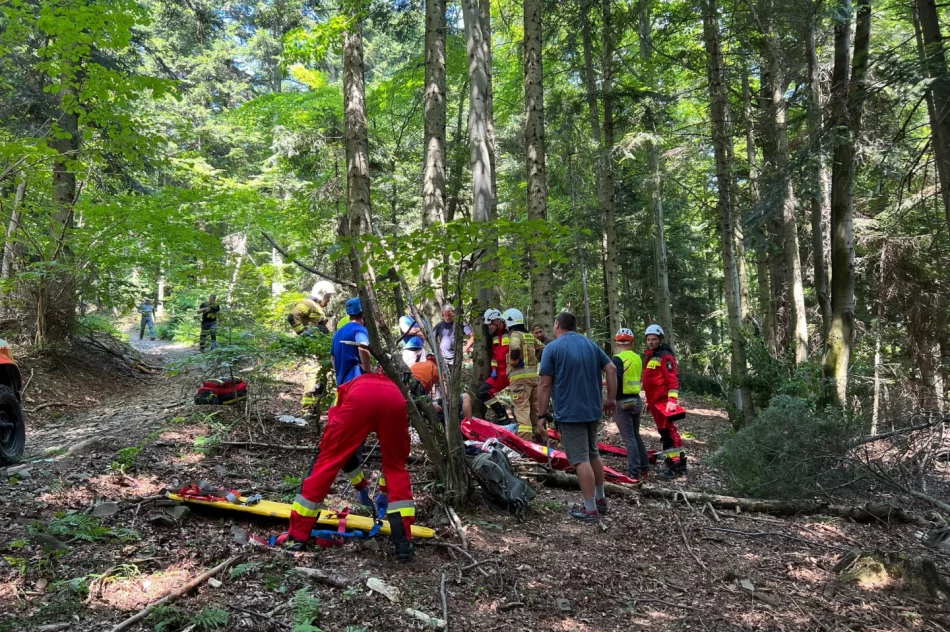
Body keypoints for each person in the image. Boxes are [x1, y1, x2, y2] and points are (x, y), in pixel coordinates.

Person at [284, 372, 416, 562]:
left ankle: (298, 537)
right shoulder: (395, 386)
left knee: (327, 461)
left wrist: (361, 487)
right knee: (396, 466)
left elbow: (340, 454)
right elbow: (390, 463)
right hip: (394, 400)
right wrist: (380, 492)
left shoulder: (346, 389)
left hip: (359, 397)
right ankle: (403, 544)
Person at [538, 312, 617, 522]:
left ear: (557, 325)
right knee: (593, 454)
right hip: (592, 410)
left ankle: (589, 509)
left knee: (581, 459)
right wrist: (610, 399)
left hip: (570, 413)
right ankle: (600, 500)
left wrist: (541, 414)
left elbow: (545, 384)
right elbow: (611, 368)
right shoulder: (590, 345)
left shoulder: (552, 349)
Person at [642, 324, 687, 479]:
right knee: (667, 432)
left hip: (663, 403)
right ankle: (679, 464)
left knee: (668, 434)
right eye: (649, 339)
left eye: (654, 339)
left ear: (660, 339)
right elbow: (653, 381)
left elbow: (672, 380)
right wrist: (649, 401)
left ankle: (674, 466)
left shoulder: (665, 356)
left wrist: (672, 400)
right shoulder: (652, 355)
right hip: (656, 403)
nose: (651, 342)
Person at [289, 281, 336, 418]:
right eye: (328, 296)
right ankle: (307, 410)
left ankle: (316, 408)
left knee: (321, 377)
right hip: (312, 351)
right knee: (313, 376)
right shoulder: (309, 304)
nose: (329, 299)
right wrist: (303, 334)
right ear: (322, 293)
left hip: (319, 350)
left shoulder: (317, 307)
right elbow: (292, 316)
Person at [611, 328, 648, 481]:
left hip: (622, 402)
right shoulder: (638, 358)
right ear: (632, 343)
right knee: (636, 435)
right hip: (636, 399)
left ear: (617, 343)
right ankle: (645, 468)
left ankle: (634, 472)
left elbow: (616, 380)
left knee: (629, 438)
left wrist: (610, 397)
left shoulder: (617, 359)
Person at [504, 308, 544, 443]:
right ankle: (539, 436)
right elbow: (543, 348)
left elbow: (515, 348)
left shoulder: (515, 335)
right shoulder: (529, 336)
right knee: (534, 409)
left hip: (519, 380)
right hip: (533, 379)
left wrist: (514, 361)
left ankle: (525, 443)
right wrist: (535, 361)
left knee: (522, 410)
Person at [477, 308, 512, 425]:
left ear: (497, 321)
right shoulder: (495, 336)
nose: (489, 328)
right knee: (483, 392)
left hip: (512, 372)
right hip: (499, 374)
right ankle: (502, 415)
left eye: (490, 325)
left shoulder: (511, 332)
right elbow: (495, 356)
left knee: (521, 401)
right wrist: (494, 370)